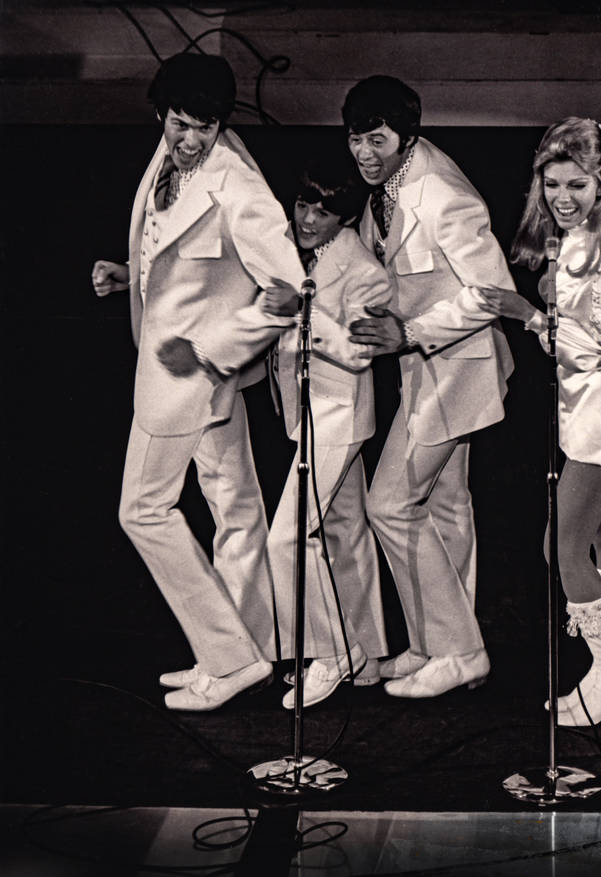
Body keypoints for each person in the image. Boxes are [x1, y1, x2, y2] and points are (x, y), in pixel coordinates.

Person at [90, 53, 304, 710]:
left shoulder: (237, 185)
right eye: (181, 125)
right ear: (161, 114)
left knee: (143, 510)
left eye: (204, 130)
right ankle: (252, 651)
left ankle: (228, 656)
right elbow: (175, 251)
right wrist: (131, 275)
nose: (191, 141)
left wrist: (210, 347)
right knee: (235, 510)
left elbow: (289, 291)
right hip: (185, 377)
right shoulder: (167, 158)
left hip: (187, 379)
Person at [478, 116, 601, 726]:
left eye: (576, 185)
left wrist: (526, 314)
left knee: (561, 546)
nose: (562, 197)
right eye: (552, 184)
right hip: (596, 408)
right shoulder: (584, 237)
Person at [343, 75, 515, 698]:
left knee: (389, 504)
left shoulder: (440, 192)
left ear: (406, 136)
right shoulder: (383, 191)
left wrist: (410, 332)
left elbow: (491, 293)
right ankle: (434, 645)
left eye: (377, 139)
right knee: (444, 508)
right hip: (426, 373)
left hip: (459, 372)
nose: (364, 152)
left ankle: (461, 651)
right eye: (356, 139)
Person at [258, 153, 392, 709]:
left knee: (286, 539)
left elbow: (360, 353)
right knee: (346, 535)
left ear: (345, 216)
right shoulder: (293, 250)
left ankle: (334, 651)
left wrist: (303, 311)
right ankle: (368, 653)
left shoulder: (364, 271)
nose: (309, 218)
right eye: (303, 204)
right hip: (308, 413)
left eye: (324, 210)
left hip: (339, 416)